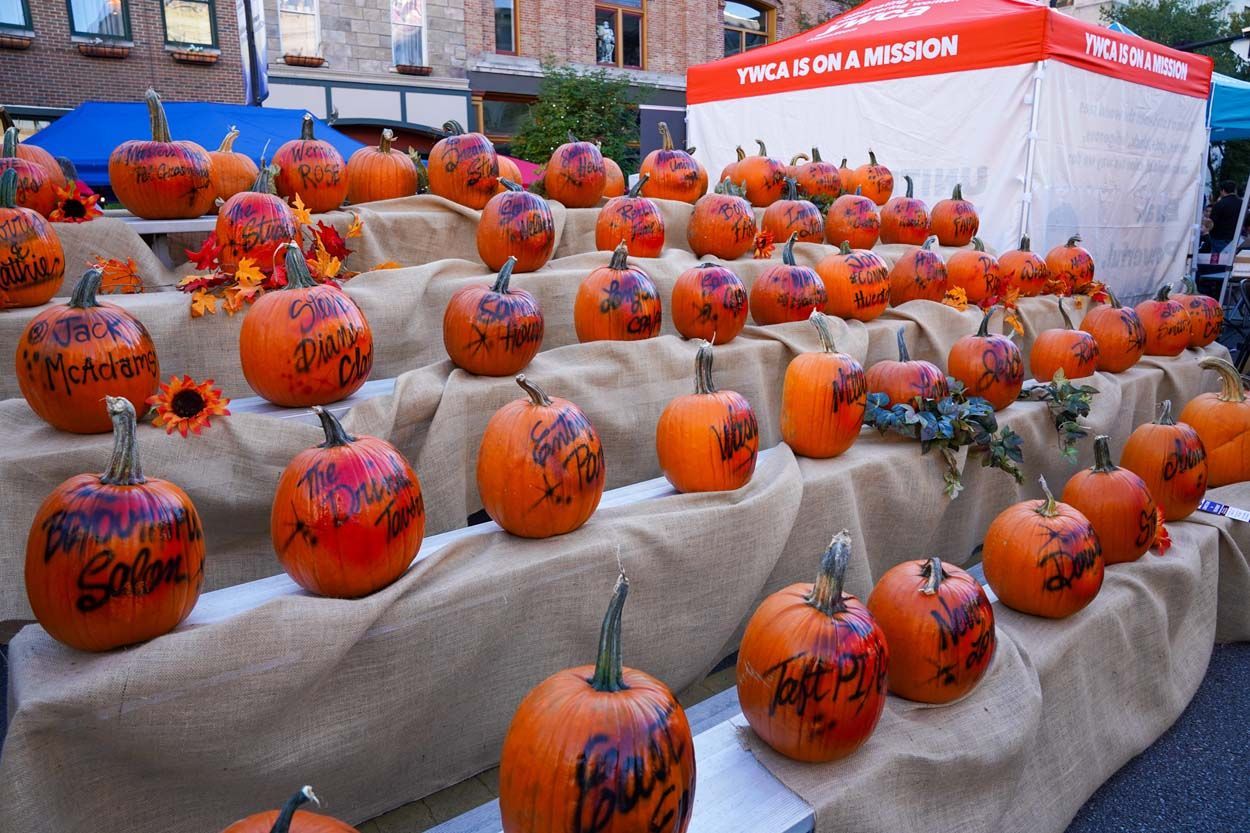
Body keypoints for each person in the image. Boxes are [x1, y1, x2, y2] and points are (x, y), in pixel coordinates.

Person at [1209, 179, 1242, 256]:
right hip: (1235, 239)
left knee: (1216, 261)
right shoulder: (1242, 204)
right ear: (1235, 190)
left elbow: (1212, 222)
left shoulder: (1219, 204)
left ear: (1223, 191)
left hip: (1219, 238)